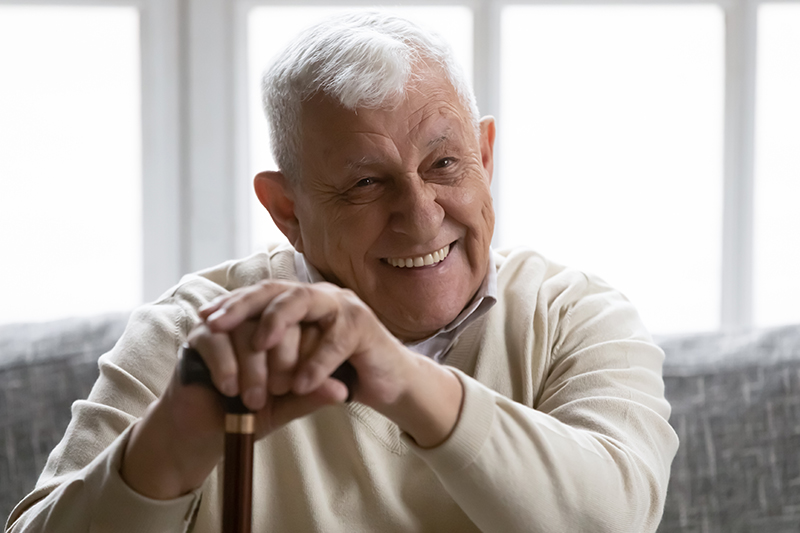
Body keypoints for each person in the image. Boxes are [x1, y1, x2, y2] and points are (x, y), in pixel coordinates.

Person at [6, 11, 678, 533]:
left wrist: (403, 378)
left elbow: (615, 517)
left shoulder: (575, 316)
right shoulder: (198, 328)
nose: (419, 214)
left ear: (485, 154)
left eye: (445, 164)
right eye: (365, 183)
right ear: (286, 210)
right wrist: (175, 438)